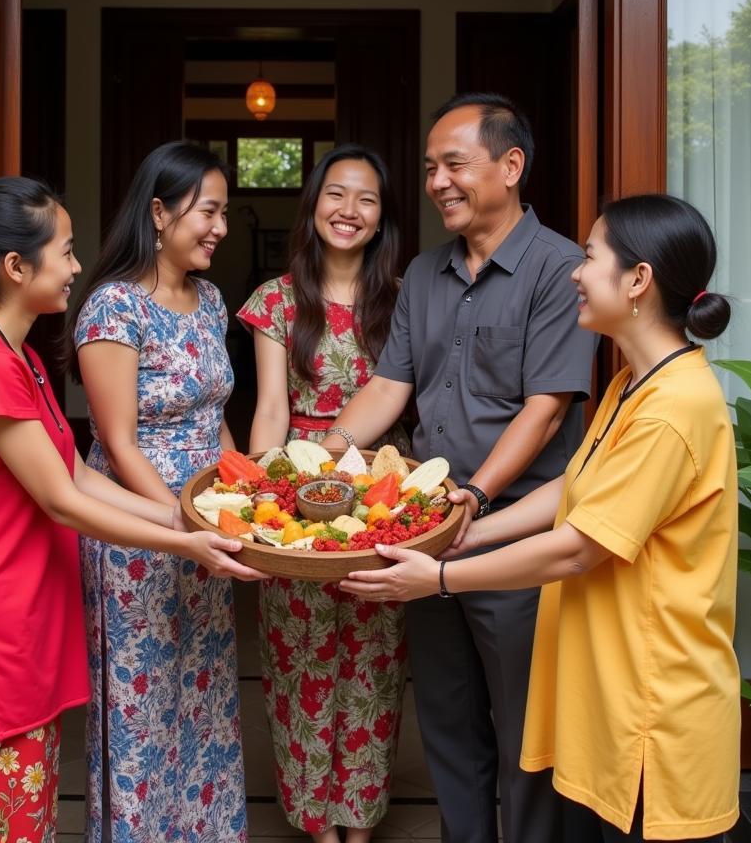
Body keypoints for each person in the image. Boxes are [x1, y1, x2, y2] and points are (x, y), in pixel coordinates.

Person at [341, 194, 740, 843]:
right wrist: (460, 526)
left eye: (590, 257)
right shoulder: (635, 382)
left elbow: (578, 548)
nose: (576, 272)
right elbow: (572, 488)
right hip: (613, 700)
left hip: (656, 711)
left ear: (637, 281)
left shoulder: (676, 406)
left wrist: (439, 577)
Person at [0, 176, 256, 843]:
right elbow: (62, 500)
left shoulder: (20, 358)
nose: (76, 268)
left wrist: (184, 520)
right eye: (65, 253)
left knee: (23, 817)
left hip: (25, 620)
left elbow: (72, 472)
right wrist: (184, 544)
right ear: (16, 267)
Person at [321, 93, 595, 843]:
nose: (437, 181)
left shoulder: (560, 267)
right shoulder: (425, 269)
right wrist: (318, 456)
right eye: (431, 167)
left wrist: (475, 494)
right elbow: (389, 386)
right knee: (445, 717)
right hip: (424, 528)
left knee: (525, 731)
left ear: (510, 166)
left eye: (454, 164)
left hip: (516, 532)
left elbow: (545, 408)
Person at [69, 142, 261, 843]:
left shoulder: (210, 300)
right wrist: (183, 524)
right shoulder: (113, 308)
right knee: (141, 708)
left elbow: (218, 422)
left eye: (221, 213)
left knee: (204, 695)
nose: (219, 227)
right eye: (207, 210)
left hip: (204, 526)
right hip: (137, 535)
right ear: (159, 211)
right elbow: (117, 443)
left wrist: (250, 500)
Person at [237, 144, 410, 843]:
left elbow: (401, 398)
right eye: (336, 195)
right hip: (297, 486)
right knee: (298, 653)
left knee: (375, 653)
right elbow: (273, 407)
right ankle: (314, 818)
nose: (349, 211)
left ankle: (359, 818)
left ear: (381, 219)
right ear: (312, 208)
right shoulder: (276, 300)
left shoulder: (404, 299)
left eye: (366, 199)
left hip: (377, 490)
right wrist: (259, 497)